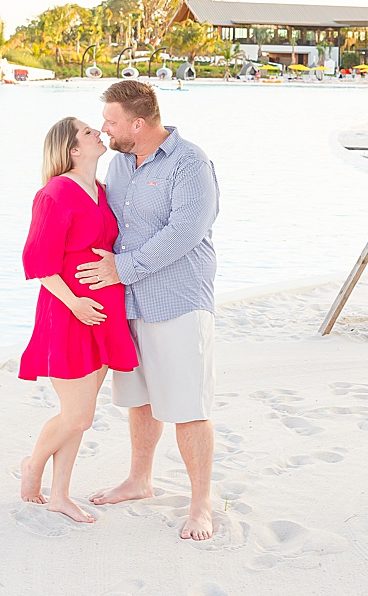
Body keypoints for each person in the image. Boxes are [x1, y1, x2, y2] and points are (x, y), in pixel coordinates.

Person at [76, 80, 220, 541]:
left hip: (177, 299)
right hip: (129, 303)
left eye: (112, 121)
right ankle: (140, 480)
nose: (105, 129)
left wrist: (123, 269)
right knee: (140, 398)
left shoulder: (190, 162)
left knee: (188, 406)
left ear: (138, 124)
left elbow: (185, 232)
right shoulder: (118, 163)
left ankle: (201, 505)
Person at [17, 115, 138, 526]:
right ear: (72, 149)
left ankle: (60, 495)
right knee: (78, 415)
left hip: (103, 313)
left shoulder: (102, 191)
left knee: (81, 415)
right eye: (89, 132)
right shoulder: (54, 194)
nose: (98, 133)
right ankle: (33, 465)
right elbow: (37, 263)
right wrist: (75, 305)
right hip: (69, 313)